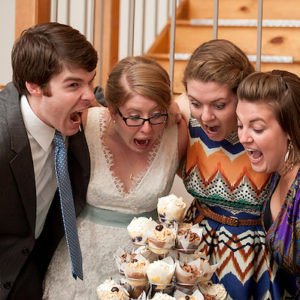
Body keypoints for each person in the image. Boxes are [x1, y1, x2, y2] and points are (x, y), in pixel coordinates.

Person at [42, 56, 188, 299]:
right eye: (133, 116)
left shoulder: (177, 130)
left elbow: (204, 93)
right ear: (111, 110)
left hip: (147, 271)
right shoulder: (85, 122)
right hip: (81, 266)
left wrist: (170, 107)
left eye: (156, 115)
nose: (146, 129)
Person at [178, 39, 296, 299]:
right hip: (197, 249)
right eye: (196, 102)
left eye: (219, 105)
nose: (206, 116)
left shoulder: (267, 132)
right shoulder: (186, 123)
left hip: (256, 258)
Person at [0, 22, 98, 299]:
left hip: (36, 273)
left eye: (90, 81)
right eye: (73, 85)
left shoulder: (64, 112)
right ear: (34, 86)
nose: (90, 96)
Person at [236, 70, 300, 296]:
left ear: (290, 129)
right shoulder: (278, 170)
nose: (244, 137)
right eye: (240, 124)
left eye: (257, 128)